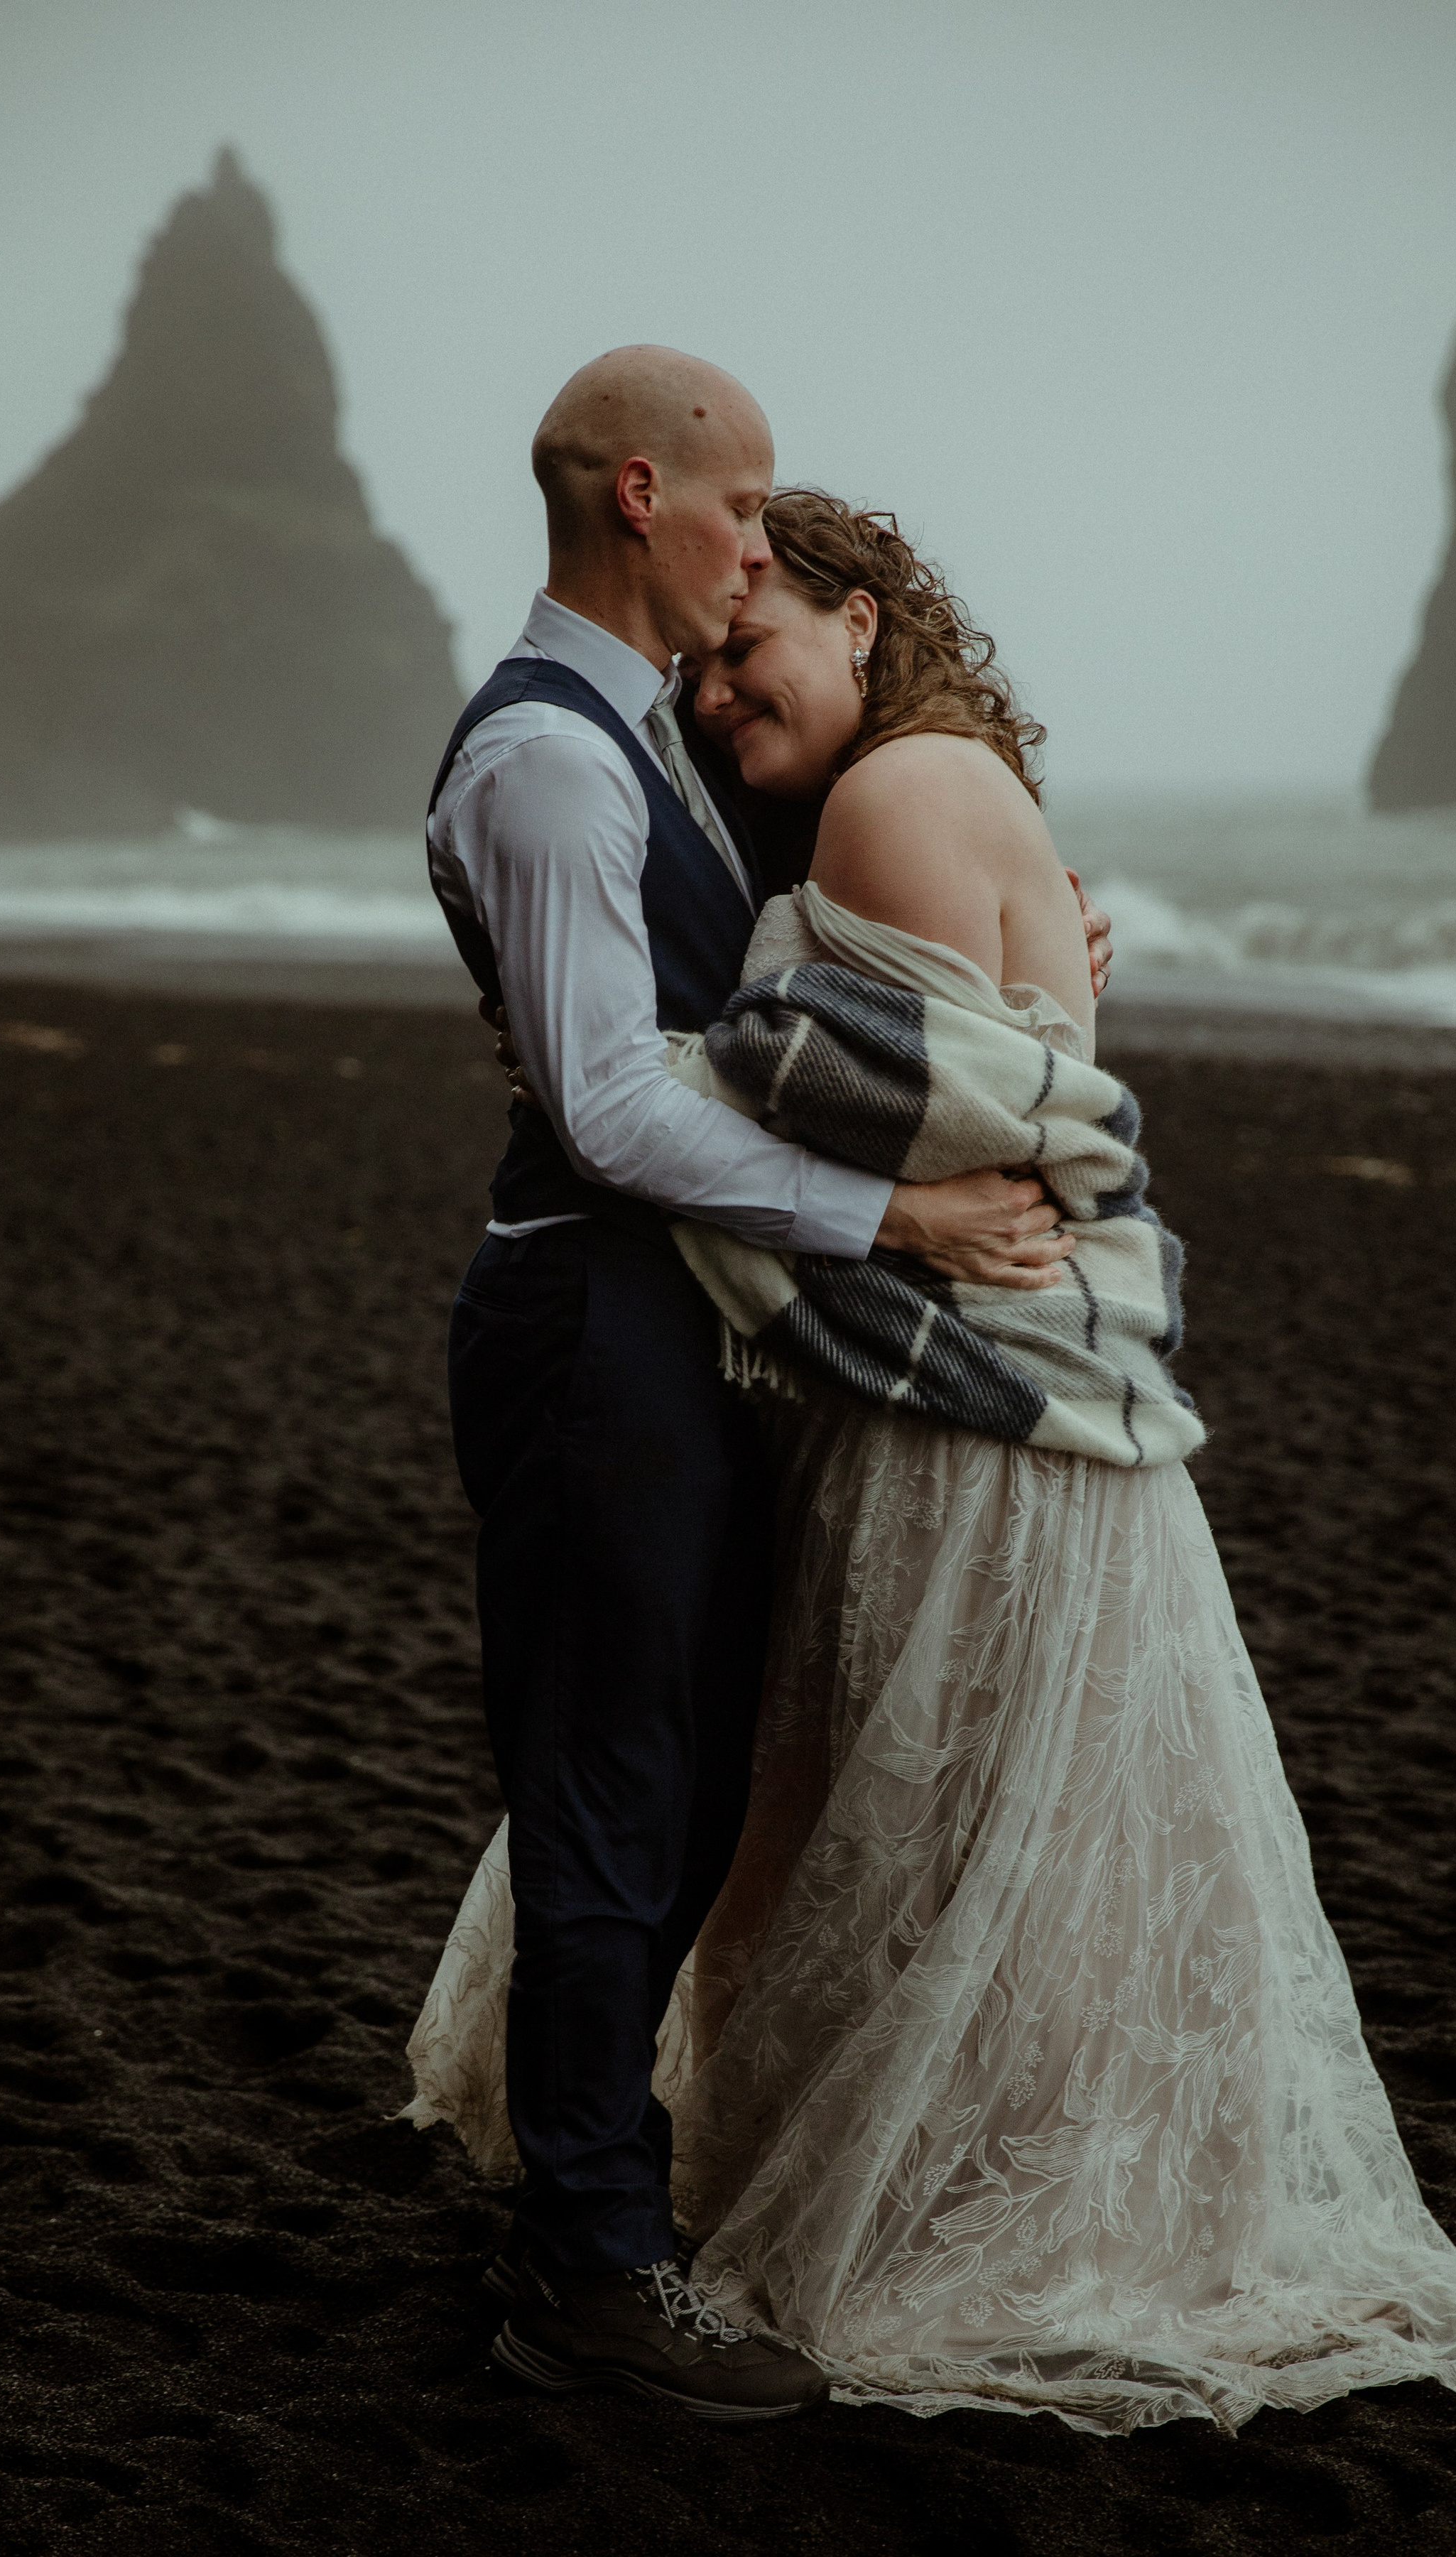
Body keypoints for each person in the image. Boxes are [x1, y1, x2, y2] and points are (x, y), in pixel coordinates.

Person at [411, 488, 1456, 2434]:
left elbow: (857, 1094)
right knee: (889, 1815)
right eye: (702, 666)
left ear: (864, 621)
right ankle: (655, 2207)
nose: (714, 694)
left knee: (877, 1816)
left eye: (754, 641)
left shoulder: (889, 803)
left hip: (964, 1402)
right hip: (978, 1392)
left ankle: (732, 2203)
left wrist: (593, 1057)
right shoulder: (878, 799)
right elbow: (928, 1071)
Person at [413, 354, 1109, 2424]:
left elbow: (786, 1004)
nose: (760, 538)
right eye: (747, 504)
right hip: (585, 1318)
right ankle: (592, 2270)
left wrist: (1030, 973)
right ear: (651, 496)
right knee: (613, 1787)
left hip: (685, 1316)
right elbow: (616, 1105)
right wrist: (901, 1225)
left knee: (689, 1780)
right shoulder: (548, 760)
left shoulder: (666, 745)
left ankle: (603, 2194)